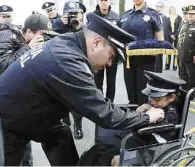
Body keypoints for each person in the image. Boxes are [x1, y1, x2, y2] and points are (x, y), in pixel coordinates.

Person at [0, 12, 164, 166]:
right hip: (7, 125)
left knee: (60, 136)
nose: (109, 64)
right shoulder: (67, 62)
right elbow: (103, 113)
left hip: (26, 115)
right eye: (111, 57)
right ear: (97, 43)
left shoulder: (65, 43)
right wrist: (146, 117)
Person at [0, 13, 56, 166]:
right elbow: (3, 67)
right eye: (42, 34)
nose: (44, 38)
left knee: (24, 141)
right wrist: (28, 48)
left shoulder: (25, 39)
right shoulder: (5, 36)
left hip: (19, 104)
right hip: (5, 104)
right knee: (9, 151)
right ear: (30, 32)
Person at [111, 70, 186, 166]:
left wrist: (125, 157)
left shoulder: (170, 115)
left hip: (150, 149)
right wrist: (139, 111)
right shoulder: (159, 105)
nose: (153, 102)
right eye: (151, 98)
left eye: (157, 99)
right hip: (140, 141)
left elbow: (146, 136)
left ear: (171, 97)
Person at [118, 0, 164, 105]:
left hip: (146, 60)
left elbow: (160, 40)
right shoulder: (126, 15)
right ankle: (133, 118)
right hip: (129, 60)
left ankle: (145, 118)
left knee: (143, 94)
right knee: (131, 93)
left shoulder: (153, 14)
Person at [93, 0, 119, 103]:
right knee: (97, 82)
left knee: (111, 81)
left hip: (112, 55)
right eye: (102, 0)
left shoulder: (116, 16)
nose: (104, 2)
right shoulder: (92, 16)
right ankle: (99, 103)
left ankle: (110, 103)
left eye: (106, 0)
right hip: (97, 55)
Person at [177, 5, 195, 90]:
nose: (190, 16)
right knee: (182, 76)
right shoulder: (185, 25)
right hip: (182, 55)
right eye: (189, 14)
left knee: (192, 77)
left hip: (191, 56)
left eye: (193, 14)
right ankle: (183, 94)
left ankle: (191, 95)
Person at [155, 1, 172, 72]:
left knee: (159, 57)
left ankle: (158, 73)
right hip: (152, 40)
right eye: (157, 6)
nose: (158, 8)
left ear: (162, 8)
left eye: (159, 6)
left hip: (161, 41)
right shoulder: (152, 16)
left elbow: (168, 30)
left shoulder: (165, 18)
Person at [165, 6, 182, 71]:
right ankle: (167, 66)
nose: (172, 11)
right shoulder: (167, 18)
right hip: (169, 36)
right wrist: (170, 35)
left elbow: (179, 27)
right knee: (168, 51)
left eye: (173, 9)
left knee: (176, 51)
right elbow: (166, 28)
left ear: (175, 10)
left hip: (176, 37)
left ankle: (175, 66)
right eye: (170, 10)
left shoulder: (179, 17)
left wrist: (175, 35)